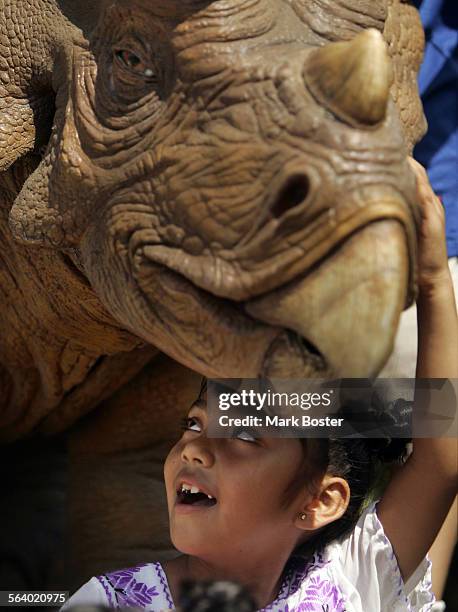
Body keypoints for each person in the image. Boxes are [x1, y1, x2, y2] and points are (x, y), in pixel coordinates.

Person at [62, 160, 458, 611]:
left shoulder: (353, 578)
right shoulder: (107, 603)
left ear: (320, 500)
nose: (193, 447)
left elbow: (439, 457)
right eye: (193, 422)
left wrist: (431, 282)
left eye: (246, 433)